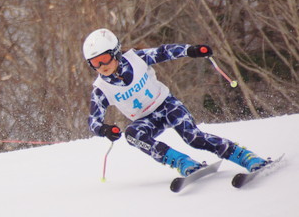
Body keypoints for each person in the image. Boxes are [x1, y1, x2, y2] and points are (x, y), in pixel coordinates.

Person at [83, 28, 267, 176]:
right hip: (147, 119)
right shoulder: (101, 89)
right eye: (94, 63)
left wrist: (190, 50)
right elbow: (93, 121)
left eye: (104, 59)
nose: (101, 66)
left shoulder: (136, 58)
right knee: (132, 134)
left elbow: (163, 52)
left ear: (115, 52)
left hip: (167, 106)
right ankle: (182, 162)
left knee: (193, 138)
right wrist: (104, 129)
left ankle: (245, 156)